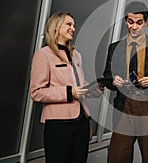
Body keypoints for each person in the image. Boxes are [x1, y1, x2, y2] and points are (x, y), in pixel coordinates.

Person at [103, 1, 148, 163]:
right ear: (125, 21)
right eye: (130, 22)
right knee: (116, 157)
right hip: (124, 106)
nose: (134, 27)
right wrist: (114, 81)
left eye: (139, 22)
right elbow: (107, 76)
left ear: (145, 22)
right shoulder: (114, 48)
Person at [30, 12, 101, 163]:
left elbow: (78, 84)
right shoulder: (43, 55)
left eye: (74, 25)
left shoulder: (76, 55)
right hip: (58, 125)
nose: (73, 28)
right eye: (69, 24)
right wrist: (69, 92)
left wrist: (94, 88)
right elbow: (36, 92)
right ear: (55, 27)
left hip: (81, 123)